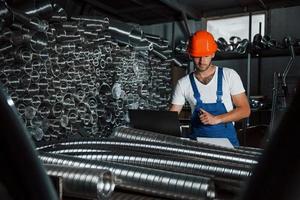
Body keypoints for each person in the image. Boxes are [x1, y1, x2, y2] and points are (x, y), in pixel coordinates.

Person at [170, 30, 250, 146]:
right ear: (190, 55)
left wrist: (217, 119)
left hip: (227, 144)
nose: (202, 61)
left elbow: (245, 110)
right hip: (197, 145)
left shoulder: (229, 75)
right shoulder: (183, 83)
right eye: (198, 56)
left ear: (213, 54)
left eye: (206, 56)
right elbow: (172, 116)